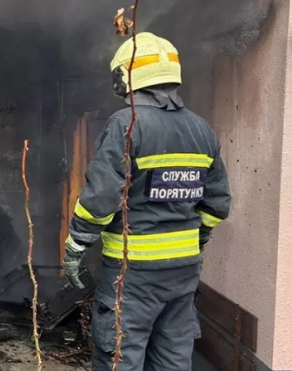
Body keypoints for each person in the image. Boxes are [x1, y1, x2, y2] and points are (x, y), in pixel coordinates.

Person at [62, 32, 231, 371]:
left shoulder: (126, 124)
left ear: (126, 75)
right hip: (183, 272)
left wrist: (76, 244)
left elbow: (101, 196)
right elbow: (217, 203)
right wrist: (196, 241)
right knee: (172, 358)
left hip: (132, 273)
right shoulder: (201, 129)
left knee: (120, 356)